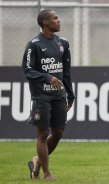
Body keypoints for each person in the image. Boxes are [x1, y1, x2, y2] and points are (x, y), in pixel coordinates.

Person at [22, 9, 75, 181]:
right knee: (43, 133)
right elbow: (27, 70)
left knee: (58, 132)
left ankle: (37, 163)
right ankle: (46, 173)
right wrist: (47, 77)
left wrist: (71, 94)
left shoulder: (63, 43)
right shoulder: (34, 44)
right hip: (41, 96)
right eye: (55, 18)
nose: (59, 21)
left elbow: (66, 72)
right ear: (45, 22)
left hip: (59, 95)